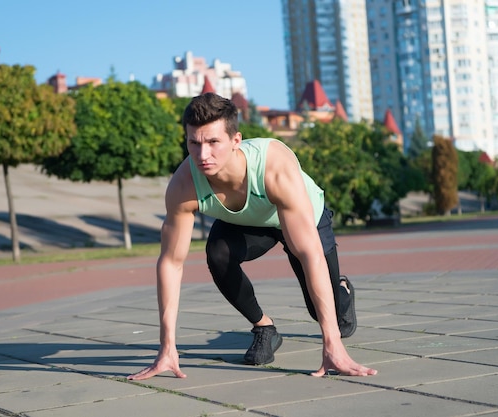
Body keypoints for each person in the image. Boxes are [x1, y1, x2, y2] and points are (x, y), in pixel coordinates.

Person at [128, 93, 377, 380]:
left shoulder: (273, 165)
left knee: (324, 312)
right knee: (218, 253)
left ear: (236, 141)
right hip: (249, 222)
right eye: (194, 143)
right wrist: (167, 347)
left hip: (304, 216)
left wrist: (332, 345)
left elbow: (309, 253)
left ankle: (342, 291)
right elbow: (171, 263)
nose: (202, 155)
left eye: (213, 142)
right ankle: (264, 327)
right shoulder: (184, 185)